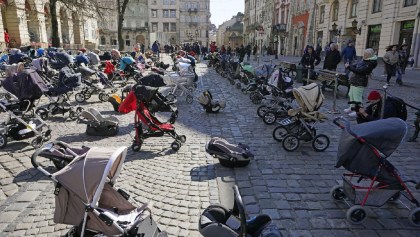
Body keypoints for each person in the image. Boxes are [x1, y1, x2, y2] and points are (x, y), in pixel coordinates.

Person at [344, 48, 378, 117]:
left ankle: (358, 112)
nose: (364, 55)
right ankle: (352, 107)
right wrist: (350, 66)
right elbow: (356, 65)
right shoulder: (364, 59)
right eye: (364, 53)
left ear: (369, 55)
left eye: (366, 54)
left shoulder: (371, 63)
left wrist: (349, 68)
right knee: (351, 95)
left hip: (360, 81)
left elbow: (361, 71)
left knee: (357, 98)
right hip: (354, 80)